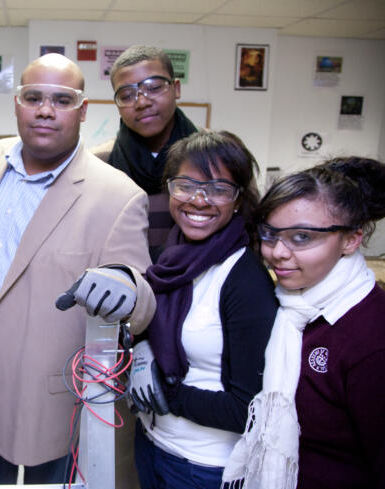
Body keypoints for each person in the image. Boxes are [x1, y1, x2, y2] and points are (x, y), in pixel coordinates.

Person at [0, 53, 155, 485]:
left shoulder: (116, 195)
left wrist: (126, 283)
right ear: (17, 104)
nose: (45, 110)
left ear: (82, 111)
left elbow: (141, 298)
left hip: (50, 387)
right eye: (33, 97)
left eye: (62, 100)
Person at [127, 131, 278, 489]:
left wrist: (166, 390)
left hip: (204, 466)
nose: (198, 200)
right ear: (169, 188)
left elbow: (247, 408)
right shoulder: (172, 256)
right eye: (186, 185)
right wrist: (142, 349)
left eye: (218, 189)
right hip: (152, 444)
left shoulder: (244, 278)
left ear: (239, 199)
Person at [222, 157, 385, 489]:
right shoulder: (289, 309)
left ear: (352, 239)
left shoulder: (370, 335)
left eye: (301, 238)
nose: (277, 253)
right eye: (269, 234)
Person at [91, 46, 199, 258]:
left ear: (176, 88)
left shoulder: (214, 156)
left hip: (199, 282)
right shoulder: (99, 164)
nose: (142, 102)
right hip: (124, 281)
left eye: (154, 87)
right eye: (127, 95)